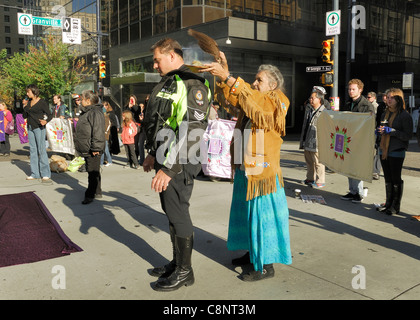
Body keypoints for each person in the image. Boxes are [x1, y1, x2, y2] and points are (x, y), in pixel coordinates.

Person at [202, 53, 292, 281]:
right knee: (247, 215)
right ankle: (253, 254)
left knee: (263, 217)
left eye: (259, 80)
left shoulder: (277, 100)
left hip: (263, 174)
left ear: (272, 85)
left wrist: (230, 77)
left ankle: (265, 265)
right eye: (255, 79)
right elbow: (233, 101)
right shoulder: (253, 98)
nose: (254, 83)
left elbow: (257, 105)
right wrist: (224, 73)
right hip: (246, 168)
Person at [143, 38, 211, 291]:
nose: (154, 65)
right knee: (171, 213)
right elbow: (161, 121)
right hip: (165, 156)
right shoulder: (169, 82)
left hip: (180, 162)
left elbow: (193, 131)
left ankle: (185, 271)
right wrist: (153, 153)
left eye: (157, 59)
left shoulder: (193, 84)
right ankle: (177, 262)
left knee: (178, 212)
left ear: (172, 55)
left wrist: (170, 168)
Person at [376, 88, 413, 215]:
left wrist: (392, 132)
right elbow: (381, 127)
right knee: (387, 177)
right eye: (388, 97)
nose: (388, 100)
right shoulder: (385, 113)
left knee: (395, 178)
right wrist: (379, 132)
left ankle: (395, 206)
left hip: (396, 150)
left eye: (392, 98)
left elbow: (408, 135)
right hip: (384, 149)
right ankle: (388, 203)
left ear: (398, 99)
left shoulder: (404, 115)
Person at [340, 79, 375, 203]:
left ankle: (358, 193)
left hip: (360, 141)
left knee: (357, 167)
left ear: (360, 90)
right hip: (349, 139)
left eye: (353, 89)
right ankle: (352, 191)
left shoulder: (366, 105)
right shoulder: (348, 103)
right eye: (349, 89)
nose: (350, 91)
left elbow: (369, 124)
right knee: (349, 166)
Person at [74, 90, 105, 205]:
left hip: (92, 148)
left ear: (88, 101)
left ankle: (90, 194)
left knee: (92, 172)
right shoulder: (87, 112)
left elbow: (98, 131)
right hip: (88, 147)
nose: (80, 101)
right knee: (94, 171)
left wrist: (96, 148)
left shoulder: (95, 112)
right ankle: (97, 191)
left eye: (82, 99)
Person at [23, 84, 52, 182]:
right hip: (30, 127)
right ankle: (35, 173)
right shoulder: (29, 102)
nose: (27, 93)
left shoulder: (42, 102)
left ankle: (45, 173)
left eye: (28, 92)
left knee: (41, 150)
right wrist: (24, 106)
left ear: (34, 91)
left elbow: (49, 114)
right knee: (32, 150)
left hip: (39, 127)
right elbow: (24, 116)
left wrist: (45, 121)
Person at [299, 86, 327, 188]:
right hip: (307, 138)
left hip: (317, 141)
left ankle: (320, 181)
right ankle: (310, 178)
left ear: (319, 99)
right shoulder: (309, 109)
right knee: (309, 161)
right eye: (310, 98)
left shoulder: (324, 112)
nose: (310, 100)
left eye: (312, 98)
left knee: (318, 162)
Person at [123, 94, 141, 162]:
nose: (131, 101)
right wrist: (129, 106)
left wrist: (133, 105)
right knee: (128, 143)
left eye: (132, 99)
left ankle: (135, 158)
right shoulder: (126, 107)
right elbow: (124, 113)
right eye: (130, 99)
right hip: (128, 126)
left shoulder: (137, 107)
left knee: (135, 143)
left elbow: (137, 111)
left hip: (135, 125)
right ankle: (130, 159)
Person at [101, 102, 113, 167]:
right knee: (103, 149)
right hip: (103, 135)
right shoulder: (104, 118)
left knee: (105, 149)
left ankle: (110, 160)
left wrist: (105, 132)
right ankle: (101, 161)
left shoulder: (106, 118)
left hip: (104, 135)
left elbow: (107, 126)